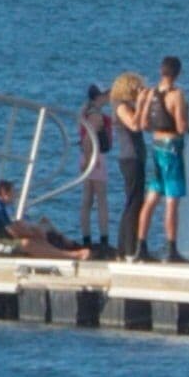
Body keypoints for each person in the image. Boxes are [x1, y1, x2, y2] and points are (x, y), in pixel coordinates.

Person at [137, 54, 189, 261]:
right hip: (172, 147)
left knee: (151, 198)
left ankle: (141, 246)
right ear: (177, 73)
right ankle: (171, 249)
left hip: (156, 146)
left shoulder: (151, 92)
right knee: (171, 200)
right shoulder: (176, 95)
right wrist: (187, 123)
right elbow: (181, 126)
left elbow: (144, 124)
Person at [105, 71, 149, 254]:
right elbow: (134, 125)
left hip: (135, 157)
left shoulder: (126, 106)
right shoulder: (121, 106)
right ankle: (129, 248)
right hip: (130, 158)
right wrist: (142, 104)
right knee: (133, 203)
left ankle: (125, 248)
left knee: (135, 201)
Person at [73, 82, 119, 251]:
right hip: (95, 156)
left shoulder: (85, 111)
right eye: (106, 95)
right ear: (99, 96)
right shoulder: (96, 116)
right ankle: (104, 239)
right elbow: (88, 138)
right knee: (101, 200)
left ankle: (86, 238)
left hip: (87, 156)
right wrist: (90, 158)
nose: (108, 97)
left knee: (87, 199)